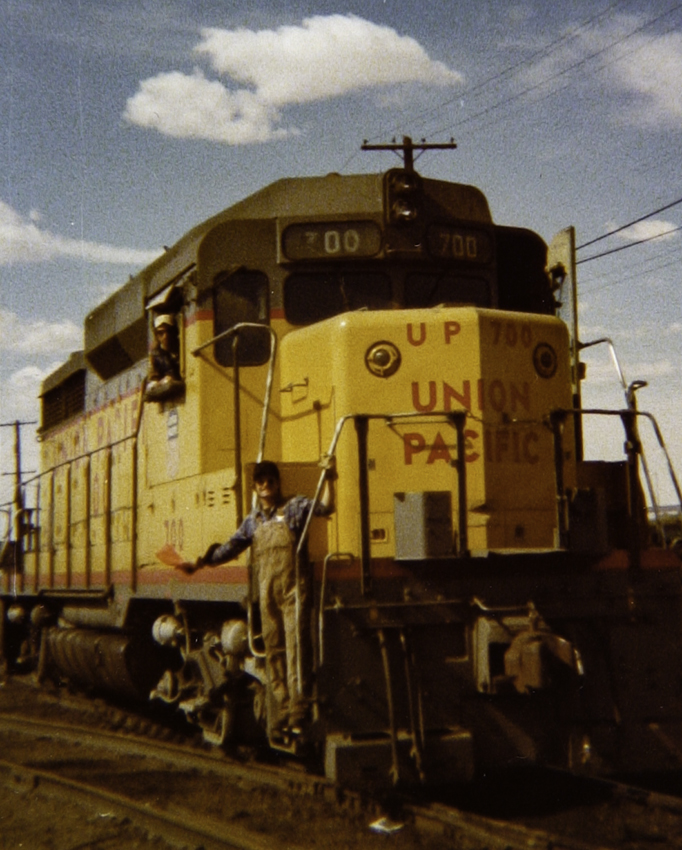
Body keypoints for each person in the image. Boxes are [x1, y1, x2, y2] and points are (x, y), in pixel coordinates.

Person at [181, 459, 336, 737]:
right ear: (255, 486)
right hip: (267, 597)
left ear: (278, 484)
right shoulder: (252, 522)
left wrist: (330, 477)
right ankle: (283, 706)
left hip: (293, 592)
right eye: (261, 481)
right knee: (274, 648)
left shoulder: (294, 508)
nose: (266, 486)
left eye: (271, 481)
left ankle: (299, 706)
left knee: (297, 646)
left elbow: (325, 507)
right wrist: (202, 562)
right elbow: (230, 548)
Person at [145, 314, 184, 400]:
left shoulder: (182, 349)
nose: (165, 336)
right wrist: (162, 382)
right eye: (161, 333)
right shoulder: (154, 356)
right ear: (157, 335)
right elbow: (153, 381)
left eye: (168, 332)